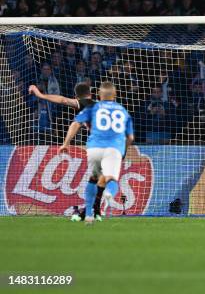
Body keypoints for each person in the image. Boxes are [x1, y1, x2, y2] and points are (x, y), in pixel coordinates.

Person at [28, 82, 106, 221]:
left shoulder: (85, 104)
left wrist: (41, 95)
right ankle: (94, 210)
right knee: (101, 177)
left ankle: (89, 211)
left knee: (97, 177)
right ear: (91, 94)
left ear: (76, 96)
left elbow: (63, 101)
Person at [60, 82, 135, 225]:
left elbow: (76, 123)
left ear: (99, 96)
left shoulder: (93, 107)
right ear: (115, 95)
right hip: (113, 148)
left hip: (94, 147)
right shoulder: (122, 110)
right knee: (111, 179)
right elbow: (130, 137)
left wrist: (66, 143)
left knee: (94, 178)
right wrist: (123, 151)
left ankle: (89, 214)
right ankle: (108, 195)